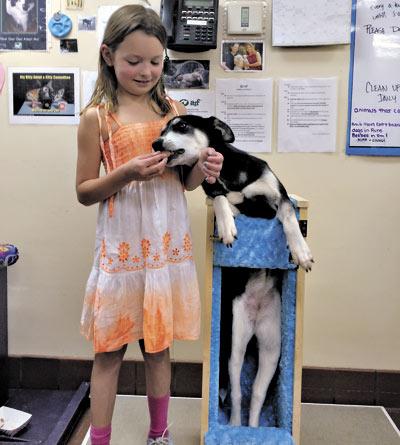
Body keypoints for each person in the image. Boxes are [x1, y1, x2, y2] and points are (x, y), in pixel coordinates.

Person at [75, 5, 223, 445]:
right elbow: (84, 191)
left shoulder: (174, 109)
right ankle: (99, 438)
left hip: (165, 250)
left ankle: (159, 435)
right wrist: (126, 173)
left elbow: (188, 183)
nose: (146, 71)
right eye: (133, 61)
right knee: (108, 351)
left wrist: (205, 168)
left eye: (155, 61)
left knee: (159, 350)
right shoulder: (96, 118)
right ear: (108, 55)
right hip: (121, 253)